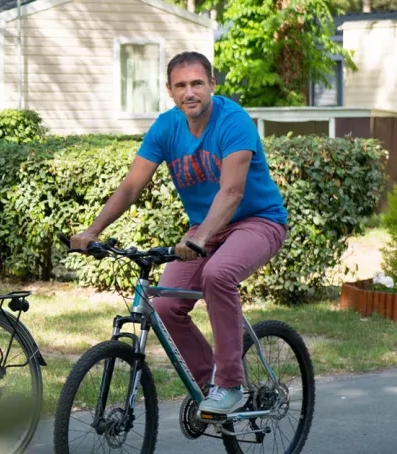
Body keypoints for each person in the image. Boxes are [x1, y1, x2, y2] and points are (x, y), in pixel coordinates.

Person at [69, 51, 288, 415]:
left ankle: (230, 384)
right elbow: (130, 187)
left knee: (219, 273)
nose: (190, 92)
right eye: (181, 85)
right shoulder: (166, 127)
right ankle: (210, 386)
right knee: (167, 305)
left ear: (212, 85)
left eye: (197, 83)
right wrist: (93, 229)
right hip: (206, 229)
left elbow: (232, 192)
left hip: (258, 220)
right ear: (170, 90)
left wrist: (200, 239)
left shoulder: (234, 120)